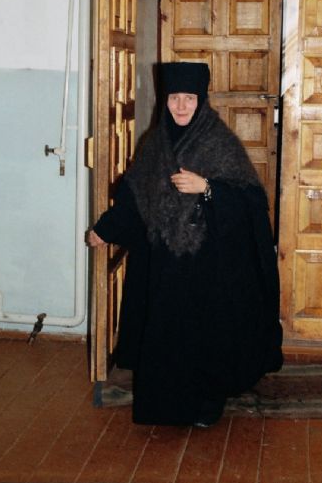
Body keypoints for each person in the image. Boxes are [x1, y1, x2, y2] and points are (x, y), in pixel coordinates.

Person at [87, 62, 283, 427]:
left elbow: (251, 202)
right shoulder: (154, 144)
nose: (180, 106)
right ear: (165, 100)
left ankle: (205, 406)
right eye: (174, 97)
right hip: (163, 262)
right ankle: (162, 406)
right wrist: (105, 229)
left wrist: (207, 188)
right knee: (165, 334)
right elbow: (134, 198)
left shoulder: (220, 142)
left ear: (201, 101)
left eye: (189, 98)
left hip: (207, 265)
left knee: (203, 337)